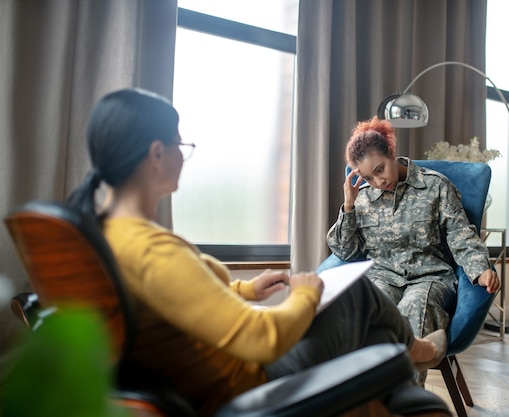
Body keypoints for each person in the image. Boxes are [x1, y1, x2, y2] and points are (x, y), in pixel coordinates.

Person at [66, 88, 447, 417]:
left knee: (378, 341)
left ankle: (405, 358)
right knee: (356, 295)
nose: (184, 155)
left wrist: (246, 291)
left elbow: (182, 302)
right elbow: (261, 339)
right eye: (181, 145)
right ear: (156, 154)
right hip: (247, 382)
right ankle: (420, 349)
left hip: (220, 367)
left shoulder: (107, 235)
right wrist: (304, 294)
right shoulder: (151, 251)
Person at [326, 116, 500, 385]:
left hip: (430, 278)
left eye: (380, 169)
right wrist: (348, 205)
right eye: (367, 177)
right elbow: (345, 252)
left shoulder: (435, 186)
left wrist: (481, 270)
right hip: (383, 276)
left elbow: (461, 236)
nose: (378, 181)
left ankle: (404, 404)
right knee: (365, 311)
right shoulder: (362, 198)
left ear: (391, 152)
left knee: (413, 309)